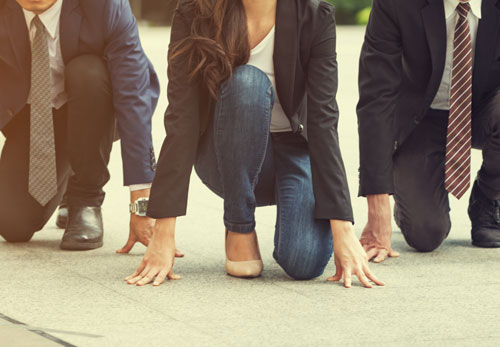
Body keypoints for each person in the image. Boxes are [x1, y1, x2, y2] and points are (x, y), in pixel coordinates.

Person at [126, 0, 383, 288]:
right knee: (246, 83)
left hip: (293, 149)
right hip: (225, 154)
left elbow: (323, 120)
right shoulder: (196, 14)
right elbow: (181, 119)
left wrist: (343, 227)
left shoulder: (314, 16)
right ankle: (239, 225)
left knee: (305, 261)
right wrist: (163, 229)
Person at [0, 0, 159, 250]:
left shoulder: (105, 5)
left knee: (88, 72)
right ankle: (66, 178)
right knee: (12, 225)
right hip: (33, 118)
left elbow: (133, 95)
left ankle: (86, 198)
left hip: (95, 104)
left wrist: (142, 205)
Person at [358, 0, 500, 261]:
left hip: (484, 109)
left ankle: (489, 196)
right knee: (425, 234)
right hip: (420, 118)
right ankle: (408, 195)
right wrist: (377, 205)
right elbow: (376, 97)